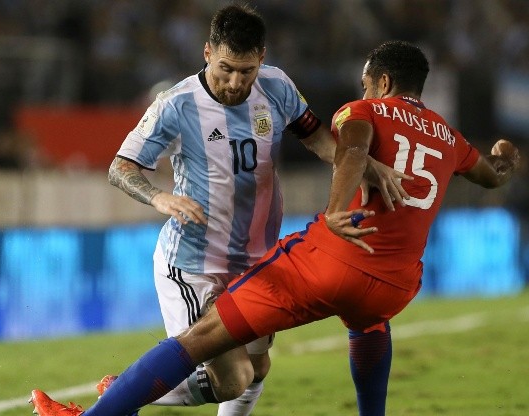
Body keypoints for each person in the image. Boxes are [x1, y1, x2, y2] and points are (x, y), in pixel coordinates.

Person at [30, 40, 520, 416]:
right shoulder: (449, 136)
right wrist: (505, 156)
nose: (364, 90)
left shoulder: (363, 111)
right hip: (397, 284)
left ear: (382, 80)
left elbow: (349, 147)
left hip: (332, 260)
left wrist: (333, 211)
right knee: (363, 326)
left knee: (205, 340)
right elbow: (493, 178)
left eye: (367, 83)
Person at [90, 5, 409, 416]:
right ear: (207, 53)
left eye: (246, 71)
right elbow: (121, 168)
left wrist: (360, 164)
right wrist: (159, 197)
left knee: (258, 368)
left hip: (257, 259)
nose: (235, 82)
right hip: (194, 263)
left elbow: (317, 139)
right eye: (226, 69)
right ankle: (117, 394)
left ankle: (122, 392)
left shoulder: (276, 87)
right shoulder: (176, 104)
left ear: (262, 57)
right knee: (232, 377)